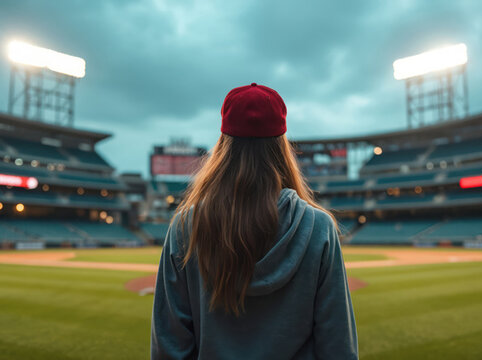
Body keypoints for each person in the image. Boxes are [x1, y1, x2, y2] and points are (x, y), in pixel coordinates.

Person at [151, 83, 358, 359]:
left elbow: (169, 349)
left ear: (223, 145)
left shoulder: (186, 226)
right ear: (281, 146)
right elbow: (338, 348)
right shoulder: (318, 227)